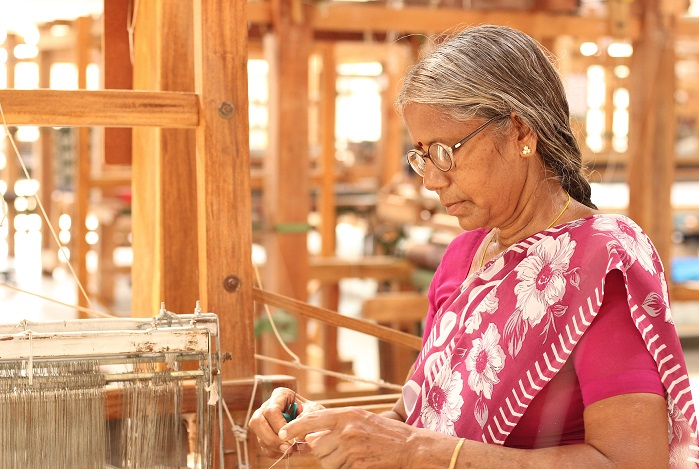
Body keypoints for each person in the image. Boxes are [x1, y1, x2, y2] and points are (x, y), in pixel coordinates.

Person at [249, 24, 699, 468]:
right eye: (421, 155)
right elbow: (415, 419)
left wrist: (417, 451)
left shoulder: (602, 263)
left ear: (520, 131)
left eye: (446, 151)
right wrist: (322, 430)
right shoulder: (462, 258)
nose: (430, 179)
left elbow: (632, 462)